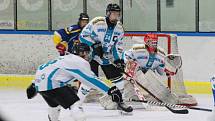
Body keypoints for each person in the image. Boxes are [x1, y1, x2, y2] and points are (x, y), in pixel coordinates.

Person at [26, 43, 133, 121]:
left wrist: (34, 84)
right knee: (75, 105)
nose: (88, 55)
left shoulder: (65, 58)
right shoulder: (79, 62)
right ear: (82, 54)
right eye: (86, 53)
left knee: (54, 106)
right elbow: (91, 80)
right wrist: (111, 90)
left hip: (41, 85)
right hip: (54, 84)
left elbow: (44, 70)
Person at [77, 3, 127, 109]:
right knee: (88, 80)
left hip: (106, 57)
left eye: (118, 14)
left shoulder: (119, 28)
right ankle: (76, 104)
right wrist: (94, 45)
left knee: (119, 81)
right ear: (108, 14)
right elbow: (82, 36)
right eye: (113, 14)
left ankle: (120, 103)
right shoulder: (97, 22)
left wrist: (119, 60)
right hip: (92, 55)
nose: (116, 17)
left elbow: (118, 46)